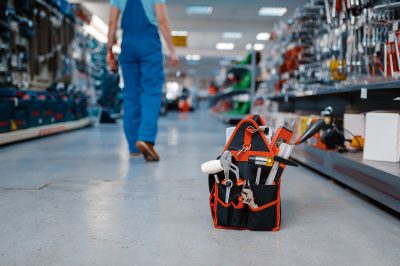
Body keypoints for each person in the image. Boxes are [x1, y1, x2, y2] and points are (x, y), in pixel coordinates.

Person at [107, 0, 178, 161]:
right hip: (149, 44)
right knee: (151, 92)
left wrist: (109, 51)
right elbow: (162, 20)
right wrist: (172, 50)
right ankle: (145, 137)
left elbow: (112, 22)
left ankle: (133, 146)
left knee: (131, 94)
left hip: (128, 45)